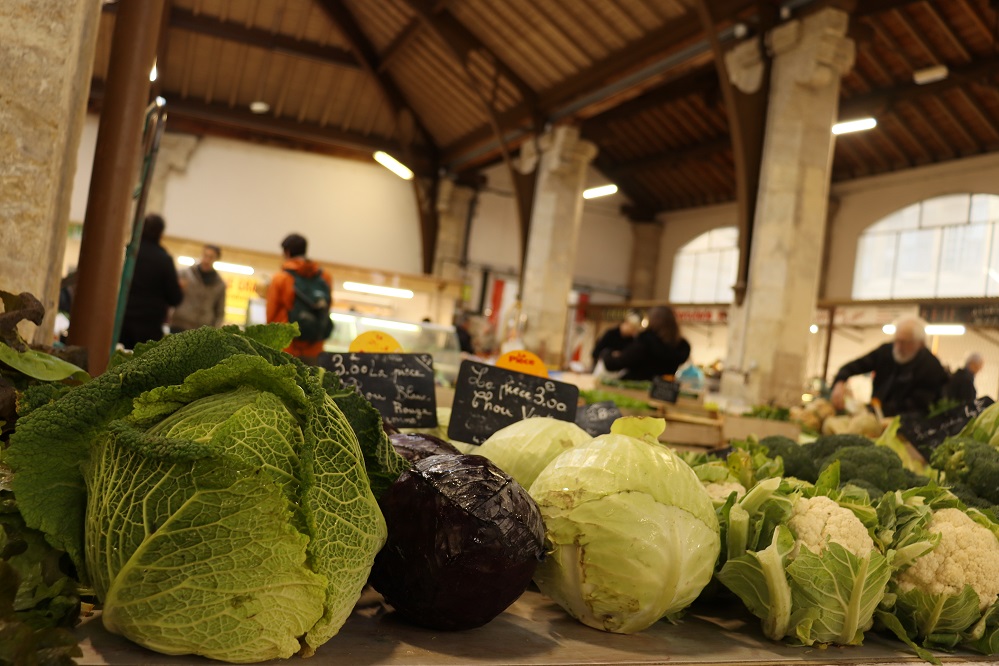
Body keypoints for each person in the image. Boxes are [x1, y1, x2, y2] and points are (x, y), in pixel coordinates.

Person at [830, 315, 949, 417]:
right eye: (897, 340)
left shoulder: (931, 367)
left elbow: (920, 404)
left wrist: (882, 412)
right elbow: (854, 366)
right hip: (876, 415)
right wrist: (839, 382)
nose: (899, 346)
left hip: (908, 425)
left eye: (906, 342)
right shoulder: (886, 352)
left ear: (920, 344)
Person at [119, 214, 183, 349]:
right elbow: (175, 298)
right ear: (160, 233)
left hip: (122, 321)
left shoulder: (128, 252)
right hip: (149, 326)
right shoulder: (164, 259)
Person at [266, 233, 332, 360]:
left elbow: (271, 314)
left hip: (286, 347)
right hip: (315, 348)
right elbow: (327, 307)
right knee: (310, 379)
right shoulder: (325, 277)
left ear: (287, 252)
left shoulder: (281, 278)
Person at [600, 306, 690, 381]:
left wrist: (607, 353)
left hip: (633, 390)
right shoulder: (681, 347)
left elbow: (615, 364)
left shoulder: (645, 341)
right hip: (662, 392)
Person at [170, 244, 226, 332]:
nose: (207, 260)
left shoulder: (219, 284)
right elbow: (170, 296)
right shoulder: (184, 274)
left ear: (216, 259)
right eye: (205, 255)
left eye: (211, 257)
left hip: (202, 330)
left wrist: (214, 329)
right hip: (179, 324)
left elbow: (220, 310)